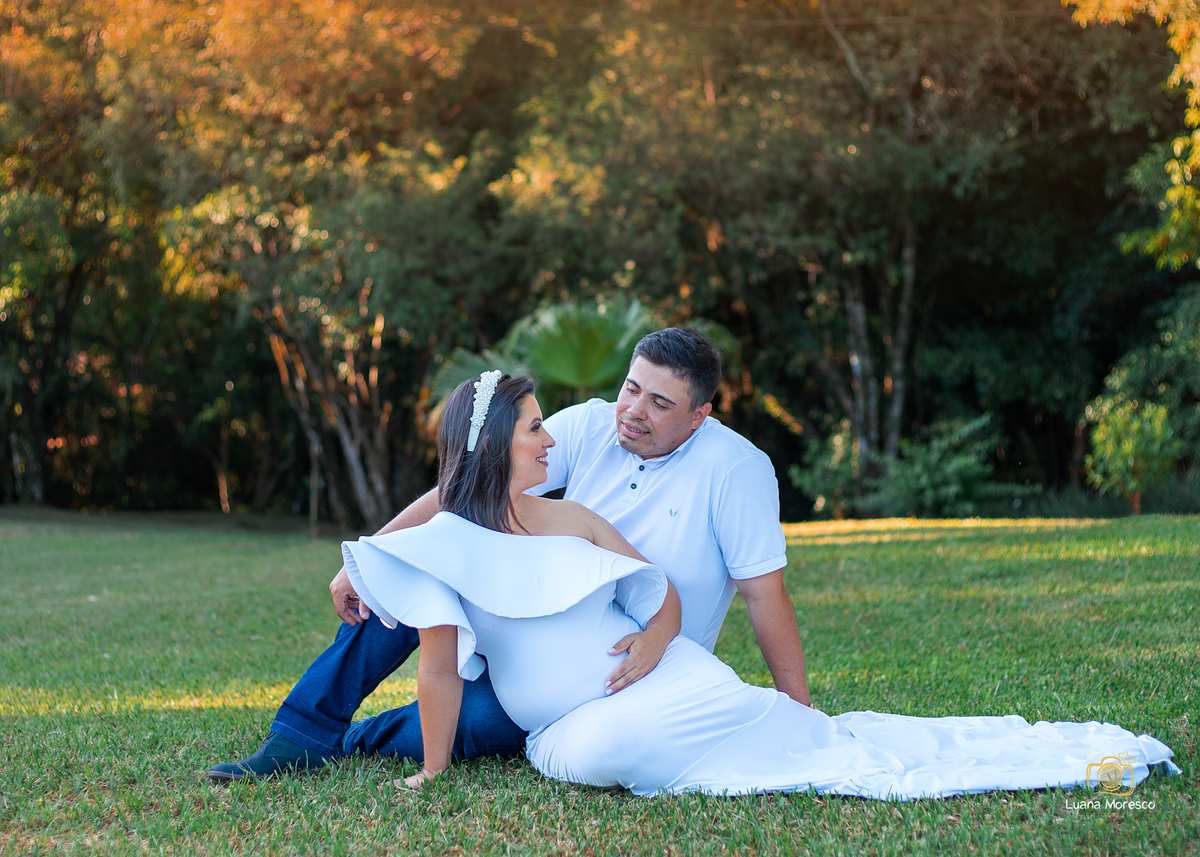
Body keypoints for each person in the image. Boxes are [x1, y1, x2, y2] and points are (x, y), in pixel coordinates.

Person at [344, 371, 1178, 796]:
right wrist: (437, 770)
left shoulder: (570, 518)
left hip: (670, 680)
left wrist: (656, 642)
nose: (552, 441)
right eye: (535, 430)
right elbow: (438, 669)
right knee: (576, 755)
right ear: (497, 446)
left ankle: (798, 729)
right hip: (564, 727)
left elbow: (660, 594)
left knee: (826, 749)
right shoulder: (443, 544)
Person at [209, 328, 807, 781]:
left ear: (700, 414)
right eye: (631, 388)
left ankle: (354, 741)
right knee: (413, 572)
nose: (633, 411)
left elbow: (764, 594)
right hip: (520, 614)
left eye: (659, 404)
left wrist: (796, 713)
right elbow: (470, 485)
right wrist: (372, 553)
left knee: (471, 723)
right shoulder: (593, 425)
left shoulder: (737, 469)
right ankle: (301, 732)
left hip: (617, 670)